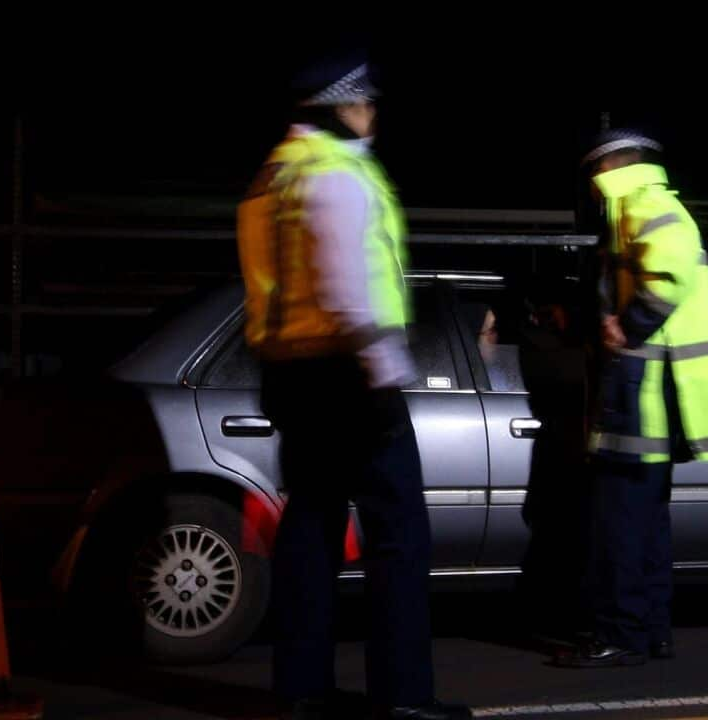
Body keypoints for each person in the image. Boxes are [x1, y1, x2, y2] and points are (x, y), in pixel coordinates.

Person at [236, 53, 471, 720]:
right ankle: (404, 697)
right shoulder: (337, 174)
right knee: (400, 536)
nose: (373, 114)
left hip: (289, 374)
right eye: (364, 102)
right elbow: (346, 286)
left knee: (310, 534)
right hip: (349, 375)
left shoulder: (270, 176)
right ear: (338, 105)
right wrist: (385, 374)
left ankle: (302, 691)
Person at [553, 129, 708, 668]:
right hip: (650, 400)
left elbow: (671, 270)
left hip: (641, 401)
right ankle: (651, 632)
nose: (588, 190)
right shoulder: (642, 208)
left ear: (606, 170)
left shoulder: (644, 205)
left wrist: (627, 328)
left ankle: (621, 636)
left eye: (591, 177)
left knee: (620, 530)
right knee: (646, 527)